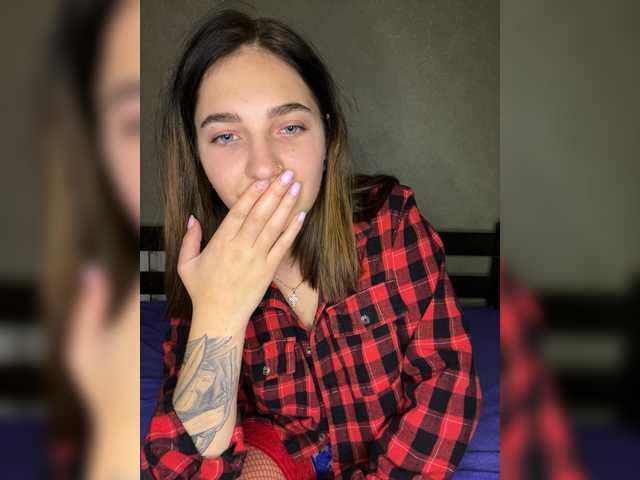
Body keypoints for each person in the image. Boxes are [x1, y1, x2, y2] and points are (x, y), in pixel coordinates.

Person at [142, 8, 481, 479]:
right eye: (226, 136)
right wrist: (219, 314)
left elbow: (447, 380)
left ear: (327, 135)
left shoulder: (392, 224)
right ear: (197, 156)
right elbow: (178, 468)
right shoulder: (201, 267)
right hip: (279, 451)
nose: (264, 166)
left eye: (290, 127)